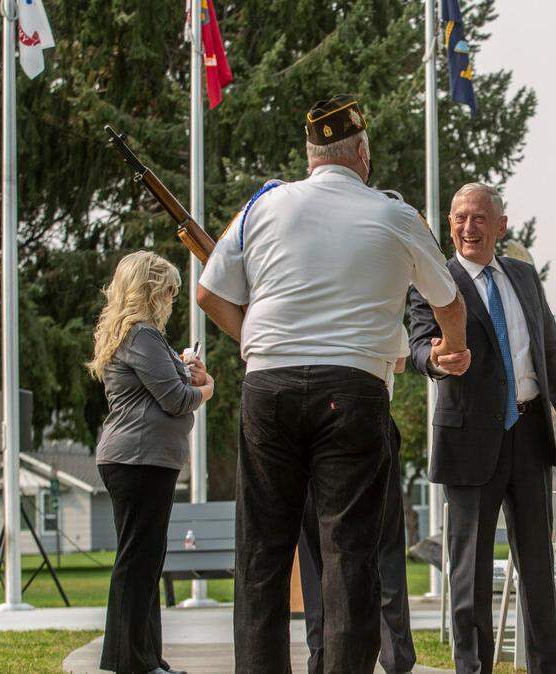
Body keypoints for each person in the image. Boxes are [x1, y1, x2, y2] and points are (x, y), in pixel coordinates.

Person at [196, 94, 471, 673]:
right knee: (349, 554)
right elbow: (448, 300)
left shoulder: (264, 206)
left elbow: (209, 292)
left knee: (262, 554)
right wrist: (454, 350)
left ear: (309, 153)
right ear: (362, 154)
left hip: (268, 384)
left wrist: (255, 342)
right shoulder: (396, 215)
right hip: (352, 388)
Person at [407, 182, 556, 674]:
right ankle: (473, 669)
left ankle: (546, 668)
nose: (468, 228)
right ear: (449, 224)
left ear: (500, 225)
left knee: (538, 568)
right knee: (468, 574)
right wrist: (439, 363)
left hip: (530, 435)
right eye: (459, 218)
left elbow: (551, 348)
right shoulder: (435, 279)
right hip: (469, 440)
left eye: (479, 218)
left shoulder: (524, 278)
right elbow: (419, 343)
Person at [89, 251, 215, 674]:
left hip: (138, 458)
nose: (173, 299)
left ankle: (144, 658)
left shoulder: (133, 336)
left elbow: (158, 389)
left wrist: (181, 369)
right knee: (139, 561)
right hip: (139, 458)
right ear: (150, 289)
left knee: (143, 560)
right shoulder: (141, 334)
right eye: (169, 290)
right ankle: (132, 662)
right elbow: (176, 400)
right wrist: (205, 389)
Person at [296, 330, 416, 674]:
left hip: (307, 420)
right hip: (366, 414)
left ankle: (321, 654)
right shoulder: (373, 289)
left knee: (316, 548)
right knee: (385, 543)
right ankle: (396, 654)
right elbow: (401, 359)